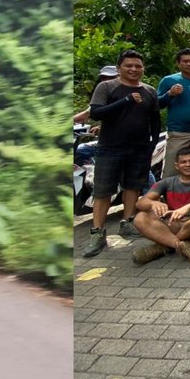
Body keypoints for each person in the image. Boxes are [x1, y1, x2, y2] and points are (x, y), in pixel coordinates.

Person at [82, 49, 160, 257]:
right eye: (129, 66)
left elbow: (155, 119)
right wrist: (125, 101)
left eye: (138, 66)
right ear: (119, 68)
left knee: (133, 186)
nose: (134, 69)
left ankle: (128, 222)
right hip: (110, 147)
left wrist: (152, 143)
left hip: (140, 147)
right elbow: (96, 113)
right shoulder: (107, 87)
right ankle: (97, 233)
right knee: (103, 190)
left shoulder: (149, 91)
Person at [130, 146, 190, 265]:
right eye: (183, 162)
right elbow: (140, 203)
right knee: (140, 218)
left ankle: (162, 246)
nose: (188, 164)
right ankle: (181, 245)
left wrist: (186, 208)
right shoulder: (166, 182)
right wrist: (153, 203)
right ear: (177, 165)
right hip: (173, 223)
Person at [156, 47, 190, 174]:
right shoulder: (169, 80)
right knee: (171, 169)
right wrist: (170, 93)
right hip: (177, 133)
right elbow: (157, 104)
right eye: (185, 61)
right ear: (178, 63)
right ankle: (169, 194)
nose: (189, 63)